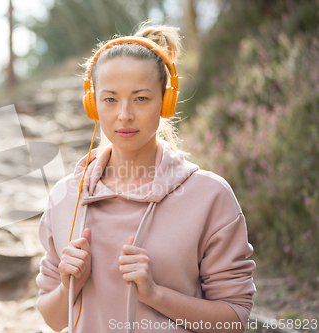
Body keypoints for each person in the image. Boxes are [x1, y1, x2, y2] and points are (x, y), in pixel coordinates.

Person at [35, 21, 256, 333]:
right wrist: (69, 285)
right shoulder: (64, 197)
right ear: (93, 104)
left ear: (166, 102)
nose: (124, 114)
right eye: (110, 99)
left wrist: (157, 295)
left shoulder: (209, 196)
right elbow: (52, 318)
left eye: (140, 98)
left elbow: (234, 320)